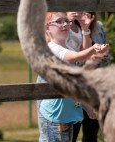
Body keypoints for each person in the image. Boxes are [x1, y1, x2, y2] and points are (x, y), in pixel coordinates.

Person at [37, 12, 109, 142]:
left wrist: (86, 107)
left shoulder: (68, 48)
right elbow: (74, 57)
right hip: (55, 118)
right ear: (47, 28)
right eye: (59, 21)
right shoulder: (52, 48)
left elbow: (72, 84)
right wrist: (94, 48)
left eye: (66, 21)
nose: (65, 24)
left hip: (66, 117)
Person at [65, 0, 110, 142]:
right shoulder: (64, 27)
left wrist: (103, 56)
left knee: (91, 135)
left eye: (82, 1)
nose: (78, 6)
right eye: (73, 2)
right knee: (71, 134)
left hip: (93, 89)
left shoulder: (98, 27)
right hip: (73, 90)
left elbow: (105, 62)